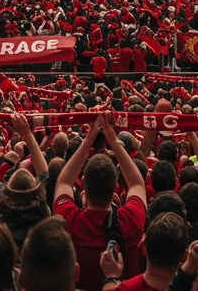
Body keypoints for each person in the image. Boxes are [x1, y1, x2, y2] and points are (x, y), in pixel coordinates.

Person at [53, 116, 147, 291]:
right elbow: (136, 184)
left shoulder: (68, 221)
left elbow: (63, 182)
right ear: (115, 192)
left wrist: (89, 139)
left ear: (84, 192)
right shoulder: (132, 219)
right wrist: (113, 140)